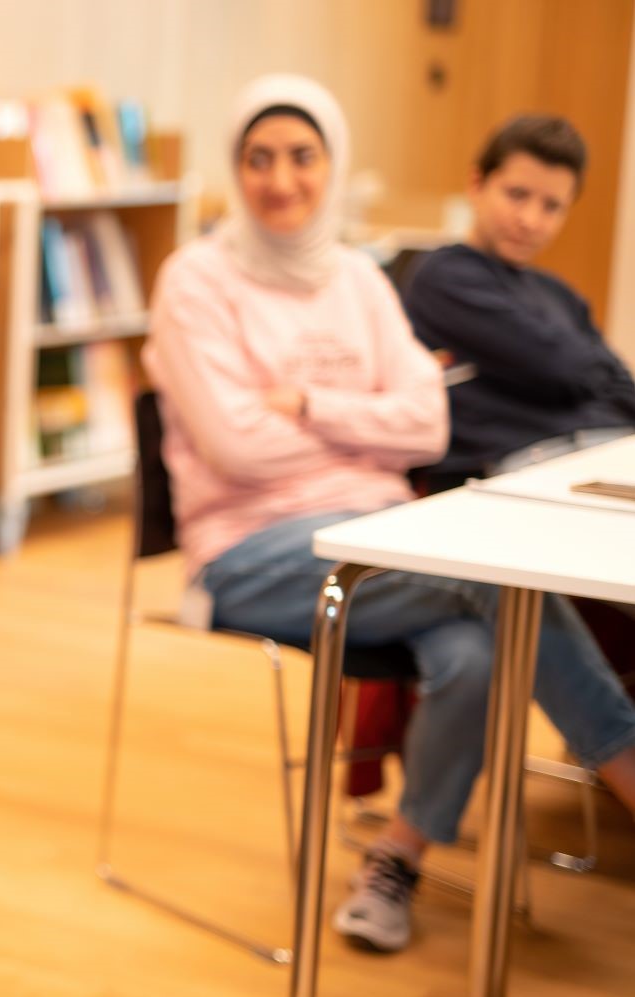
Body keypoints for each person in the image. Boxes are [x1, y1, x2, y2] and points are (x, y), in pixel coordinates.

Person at [143, 74, 635, 954]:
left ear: (332, 164)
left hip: (383, 538)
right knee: (496, 582)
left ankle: (399, 854)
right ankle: (629, 767)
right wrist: (361, 430)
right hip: (247, 550)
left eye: (302, 156)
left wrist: (310, 408)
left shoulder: (359, 281)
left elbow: (429, 423)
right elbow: (236, 449)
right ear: (235, 167)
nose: (281, 179)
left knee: (479, 645)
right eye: (258, 158)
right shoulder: (195, 281)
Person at [402, 114, 635, 490]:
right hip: (511, 469)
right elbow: (558, 366)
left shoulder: (561, 294)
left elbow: (625, 389)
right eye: (517, 195)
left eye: (551, 207)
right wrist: (576, 376)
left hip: (604, 451)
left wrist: (566, 376)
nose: (530, 220)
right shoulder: (443, 276)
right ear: (477, 184)